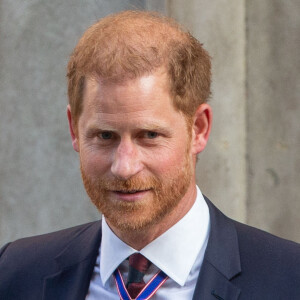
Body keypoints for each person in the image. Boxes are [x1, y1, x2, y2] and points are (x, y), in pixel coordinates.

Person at [0, 10, 299, 300]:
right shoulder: (15, 274)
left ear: (199, 129)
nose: (124, 167)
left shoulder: (288, 279)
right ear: (74, 130)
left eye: (150, 135)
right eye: (105, 136)